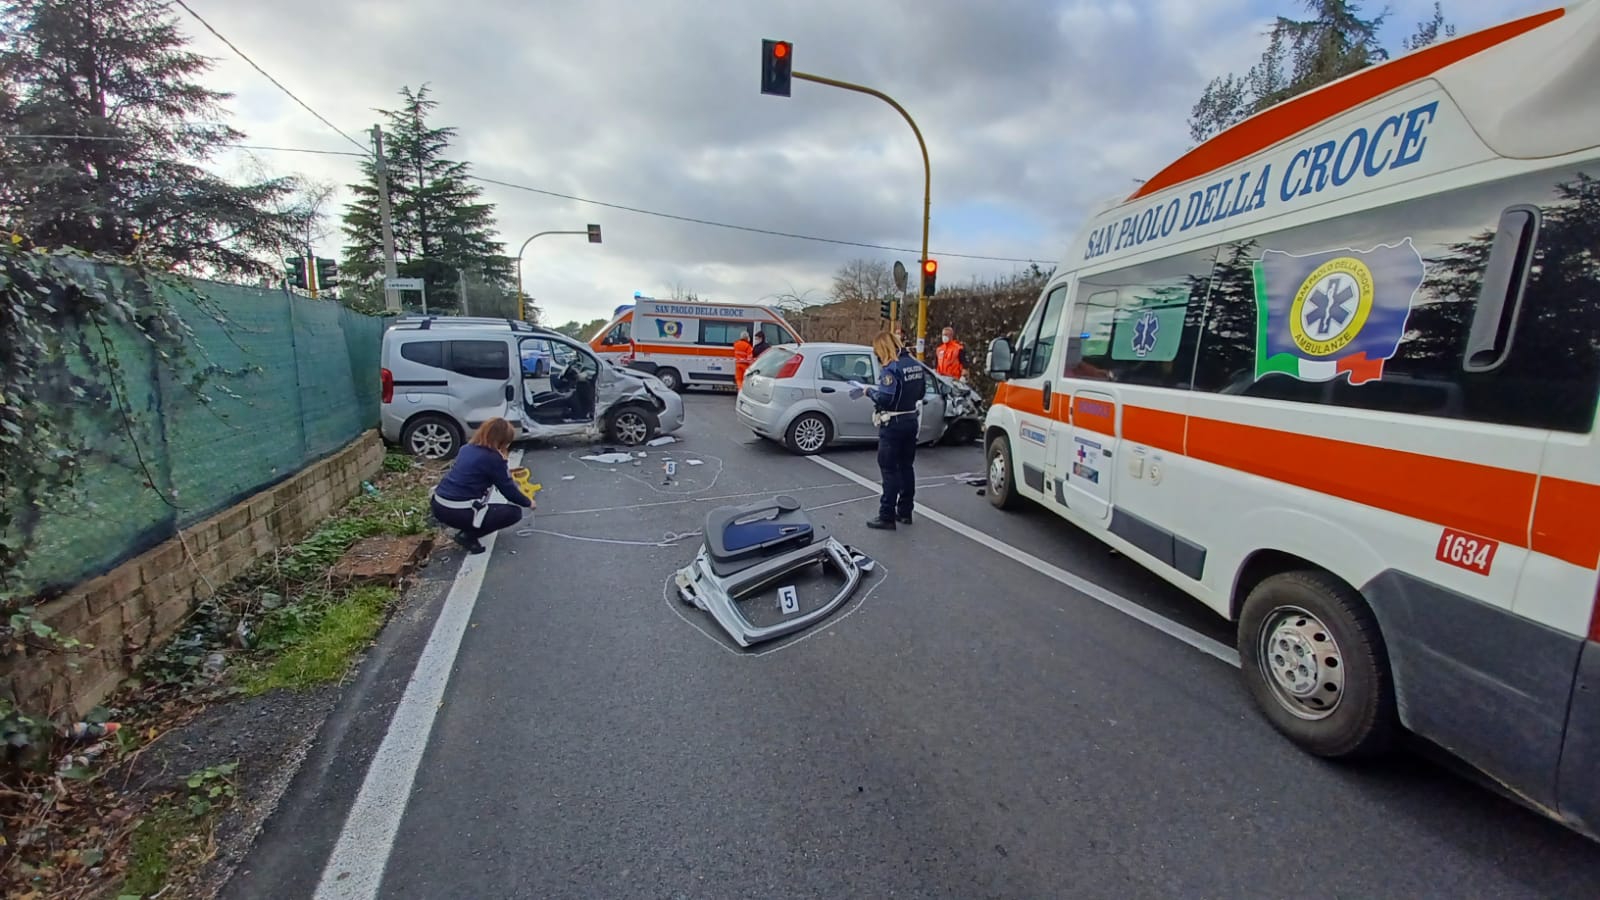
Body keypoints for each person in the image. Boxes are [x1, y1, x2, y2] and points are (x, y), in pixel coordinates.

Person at [851, 330, 925, 530]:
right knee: (906, 468)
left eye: (877, 351)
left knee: (889, 470)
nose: (876, 355)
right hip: (911, 420)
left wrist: (868, 391)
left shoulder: (891, 369)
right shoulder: (915, 365)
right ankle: (905, 511)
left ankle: (886, 516)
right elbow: (921, 393)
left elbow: (886, 398)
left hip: (893, 424)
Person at [429, 417, 533, 554]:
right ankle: (468, 536)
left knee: (481, 508)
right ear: (502, 441)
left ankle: (468, 527)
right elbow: (509, 491)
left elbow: (475, 471)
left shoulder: (466, 449)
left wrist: (503, 472)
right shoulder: (493, 458)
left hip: (439, 505)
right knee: (513, 513)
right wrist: (528, 502)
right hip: (457, 512)